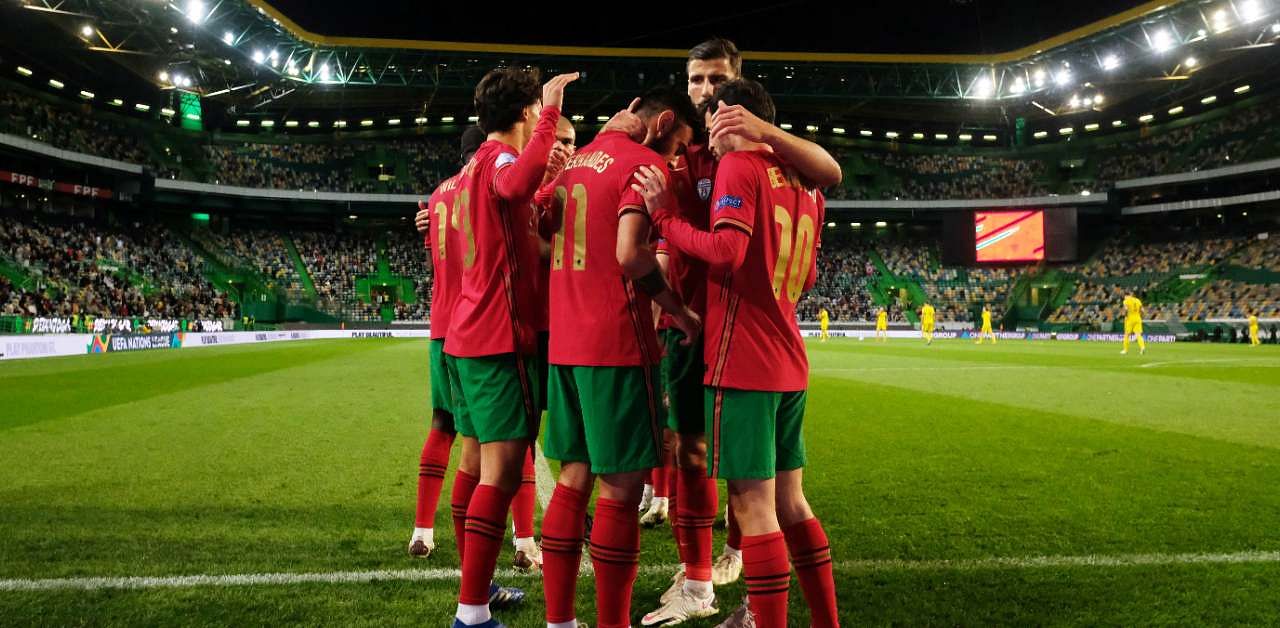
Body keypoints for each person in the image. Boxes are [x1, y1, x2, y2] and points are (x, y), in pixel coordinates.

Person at [617, 38, 843, 625]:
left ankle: (749, 586)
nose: (705, 91)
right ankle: (700, 584)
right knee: (695, 458)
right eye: (695, 80)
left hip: (737, 343)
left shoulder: (751, 155)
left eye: (716, 80)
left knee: (754, 496)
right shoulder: (686, 152)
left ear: (736, 85)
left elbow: (728, 247)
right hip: (705, 329)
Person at [538, 85, 703, 628]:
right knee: (622, 487)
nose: (675, 158)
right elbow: (631, 256)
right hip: (616, 342)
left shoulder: (575, 161)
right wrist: (677, 308)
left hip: (564, 341)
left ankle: (559, 621)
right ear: (662, 124)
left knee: (572, 476)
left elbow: (543, 233)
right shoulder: (643, 166)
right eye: (678, 145)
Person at [445, 67, 578, 628]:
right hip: (501, 337)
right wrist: (552, 108)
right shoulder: (499, 161)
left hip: (474, 334)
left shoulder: (476, 167)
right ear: (524, 114)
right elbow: (516, 185)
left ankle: (473, 606)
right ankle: (471, 612)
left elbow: (518, 207)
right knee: (500, 474)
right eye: (536, 114)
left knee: (490, 469)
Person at [408, 126, 486, 559]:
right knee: (504, 433)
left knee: (441, 424)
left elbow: (440, 256)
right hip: (479, 326)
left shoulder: (439, 194)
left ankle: (422, 531)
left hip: (441, 326)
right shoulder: (492, 181)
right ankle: (525, 541)